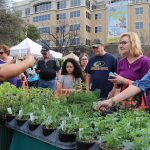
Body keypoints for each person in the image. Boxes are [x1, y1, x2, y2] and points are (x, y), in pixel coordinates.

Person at [107, 32, 150, 106]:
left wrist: (123, 80)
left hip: (140, 105)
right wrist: (111, 94)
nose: (120, 46)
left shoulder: (145, 61)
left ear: (133, 43)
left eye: (124, 43)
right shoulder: (121, 62)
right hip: (124, 103)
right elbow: (118, 83)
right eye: (120, 43)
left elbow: (145, 86)